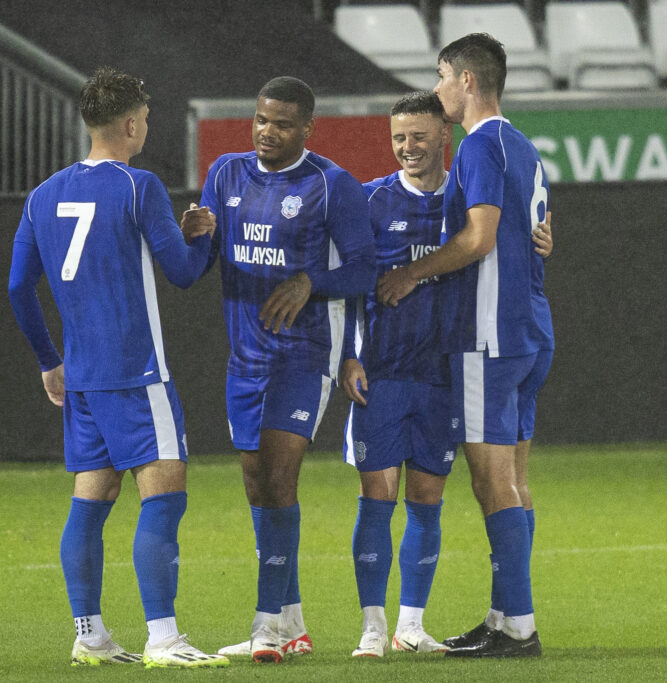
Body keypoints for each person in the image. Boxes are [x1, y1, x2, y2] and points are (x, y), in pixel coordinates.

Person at [7, 66, 227, 670]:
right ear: (130, 124)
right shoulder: (139, 187)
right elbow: (181, 272)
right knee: (164, 498)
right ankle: (164, 638)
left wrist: (50, 362)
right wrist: (202, 236)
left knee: (90, 501)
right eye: (147, 119)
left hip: (81, 378)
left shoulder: (42, 195)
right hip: (136, 374)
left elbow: (17, 287)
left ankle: (92, 635)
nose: (147, 128)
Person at [342, 92, 552, 659]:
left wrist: (538, 246)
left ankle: (415, 626)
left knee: (428, 499)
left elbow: (490, 241)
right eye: (398, 138)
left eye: (418, 136)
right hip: (382, 373)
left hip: (445, 373)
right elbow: (344, 283)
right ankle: (372, 627)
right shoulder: (369, 201)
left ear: (444, 138)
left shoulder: (463, 200)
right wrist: (345, 354)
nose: (408, 147)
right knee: (376, 496)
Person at [183, 76, 376, 664]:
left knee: (279, 477)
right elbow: (196, 269)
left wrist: (312, 280)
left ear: (306, 129)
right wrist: (191, 237)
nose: (268, 131)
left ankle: (266, 627)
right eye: (262, 120)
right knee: (255, 483)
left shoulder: (331, 185)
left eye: (283, 123)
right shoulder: (225, 173)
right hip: (245, 357)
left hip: (304, 353)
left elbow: (366, 271)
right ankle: (292, 623)